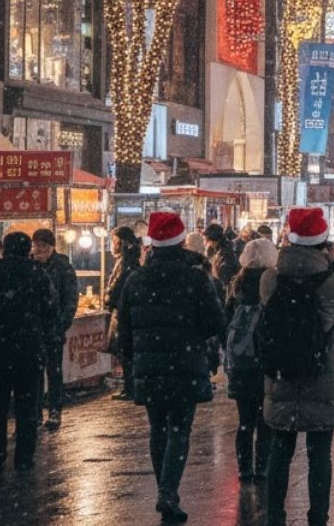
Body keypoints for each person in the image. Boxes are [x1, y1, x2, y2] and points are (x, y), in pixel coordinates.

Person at [118, 212, 227, 522]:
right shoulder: (195, 277)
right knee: (179, 428)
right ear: (181, 241)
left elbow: (124, 328)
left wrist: (134, 356)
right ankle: (168, 491)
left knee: (158, 429)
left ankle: (163, 490)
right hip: (185, 363)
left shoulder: (136, 279)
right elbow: (216, 321)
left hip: (149, 366)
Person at [259, 207, 334, 526]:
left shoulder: (271, 278)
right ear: (322, 242)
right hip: (321, 374)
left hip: (282, 374)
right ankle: (318, 518)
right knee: (319, 456)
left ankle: (275, 516)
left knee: (279, 451)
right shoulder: (331, 281)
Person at [0, 232, 57, 473]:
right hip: (28, 351)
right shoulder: (37, 273)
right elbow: (51, 309)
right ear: (27, 248)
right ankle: (24, 458)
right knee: (27, 407)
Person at [225, 236, 277, 482]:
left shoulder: (238, 283)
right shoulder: (273, 282)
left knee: (244, 420)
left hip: (241, 362)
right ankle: (262, 467)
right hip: (265, 360)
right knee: (265, 420)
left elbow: (225, 321)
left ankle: (244, 468)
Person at [30, 228, 78, 431]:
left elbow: (70, 299)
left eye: (42, 246)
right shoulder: (31, 267)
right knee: (34, 373)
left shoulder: (62, 267)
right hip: (32, 330)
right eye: (36, 245)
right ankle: (35, 412)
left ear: (51, 247)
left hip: (53, 329)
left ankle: (55, 410)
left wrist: (61, 324)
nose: (39, 250)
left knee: (54, 371)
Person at [105, 226, 143, 400]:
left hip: (123, 312)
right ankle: (131, 387)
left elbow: (118, 285)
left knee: (126, 351)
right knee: (126, 351)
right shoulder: (128, 259)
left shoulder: (126, 262)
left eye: (114, 241)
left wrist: (108, 299)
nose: (112, 245)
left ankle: (130, 388)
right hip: (125, 310)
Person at [204, 223, 241, 293]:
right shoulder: (212, 249)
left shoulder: (226, 251)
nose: (205, 241)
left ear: (211, 238)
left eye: (206, 239)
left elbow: (226, 274)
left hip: (223, 287)